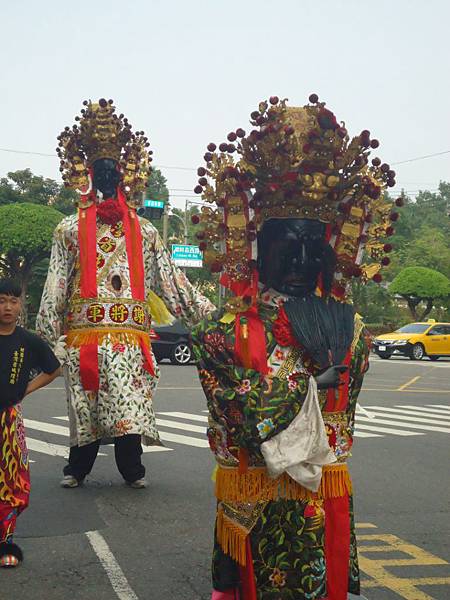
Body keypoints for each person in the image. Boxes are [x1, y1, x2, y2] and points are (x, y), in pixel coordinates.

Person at [191, 95, 399, 599]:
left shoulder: (349, 327)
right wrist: (305, 385)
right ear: (260, 246)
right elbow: (234, 410)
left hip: (320, 489)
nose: (304, 258)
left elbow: (341, 418)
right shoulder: (220, 331)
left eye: (315, 244)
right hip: (254, 486)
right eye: (290, 241)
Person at [36, 98, 214, 490]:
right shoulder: (68, 228)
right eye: (98, 171)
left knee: (130, 408)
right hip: (85, 335)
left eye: (111, 171)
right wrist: (50, 332)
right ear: (85, 173)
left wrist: (212, 316)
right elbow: (56, 283)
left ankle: (132, 469)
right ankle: (77, 467)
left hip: (131, 336)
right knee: (86, 407)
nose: (105, 178)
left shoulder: (146, 231)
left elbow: (171, 282)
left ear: (124, 176)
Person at [0, 279, 60, 568]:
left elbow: (54, 370)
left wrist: (25, 389)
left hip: (8, 420)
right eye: (1, 300)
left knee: (11, 481)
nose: (7, 307)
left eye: (13, 300)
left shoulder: (28, 341)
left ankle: (4, 541)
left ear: (20, 304)